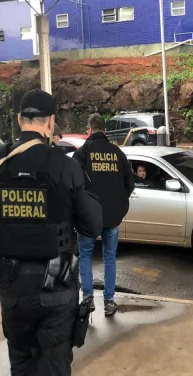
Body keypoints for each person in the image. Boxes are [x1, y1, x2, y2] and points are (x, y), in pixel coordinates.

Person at [0, 89, 103, 375]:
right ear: (51, 122)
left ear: (19, 120)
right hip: (57, 289)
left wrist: (9, 241)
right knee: (55, 366)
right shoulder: (66, 166)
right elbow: (92, 225)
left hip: (13, 288)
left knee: (22, 365)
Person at [73, 114, 135, 316]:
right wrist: (118, 205)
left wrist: (80, 209)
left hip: (88, 217)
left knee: (85, 255)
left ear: (89, 130)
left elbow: (73, 185)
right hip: (112, 217)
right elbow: (130, 184)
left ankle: (88, 298)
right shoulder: (118, 153)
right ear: (105, 130)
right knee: (110, 257)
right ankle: (109, 301)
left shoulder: (82, 153)